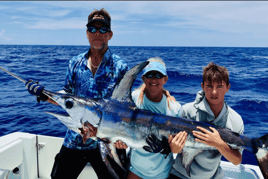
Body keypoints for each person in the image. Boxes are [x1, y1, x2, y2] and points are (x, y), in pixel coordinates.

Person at [25, 8, 128, 179]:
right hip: (76, 137)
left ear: (110, 34)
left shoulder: (120, 66)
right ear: (87, 33)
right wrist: (44, 94)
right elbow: (67, 94)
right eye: (92, 29)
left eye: (103, 29)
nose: (97, 33)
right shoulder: (75, 62)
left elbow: (124, 106)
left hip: (107, 140)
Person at [114, 57, 188, 179]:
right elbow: (119, 126)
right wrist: (120, 142)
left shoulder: (175, 108)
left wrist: (175, 149)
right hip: (136, 169)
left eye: (158, 75)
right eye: (150, 75)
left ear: (165, 79)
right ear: (143, 78)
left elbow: (181, 146)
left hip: (162, 173)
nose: (154, 79)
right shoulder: (132, 100)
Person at [169, 62, 244, 179]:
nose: (214, 92)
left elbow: (236, 161)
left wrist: (218, 144)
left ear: (228, 88)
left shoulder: (236, 120)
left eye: (219, 86)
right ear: (202, 86)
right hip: (179, 175)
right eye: (209, 86)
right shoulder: (187, 111)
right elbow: (173, 146)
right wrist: (174, 148)